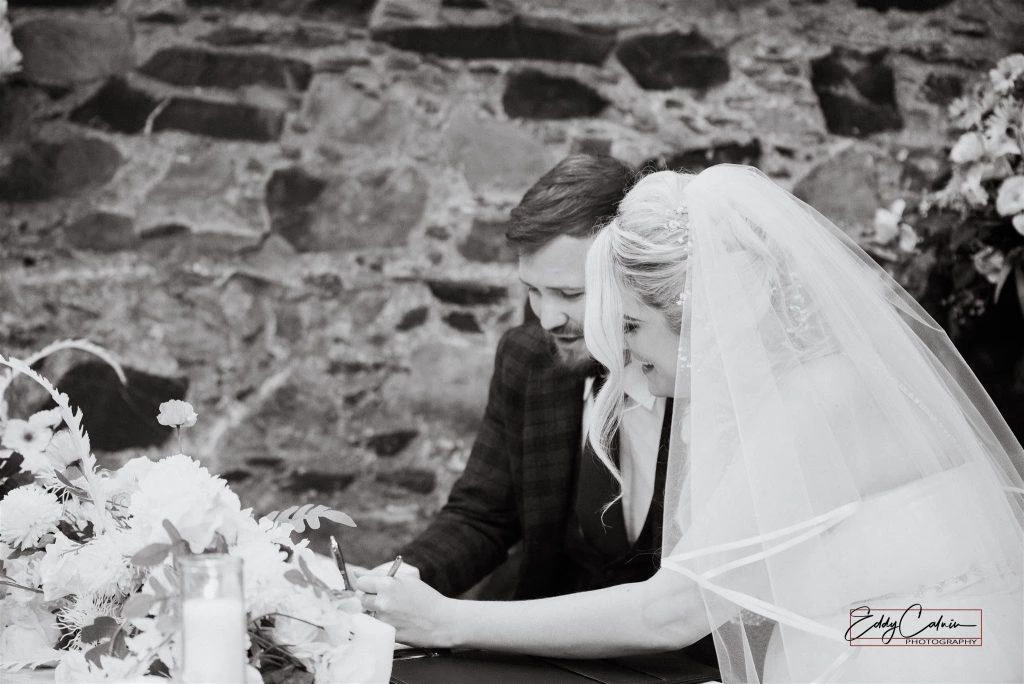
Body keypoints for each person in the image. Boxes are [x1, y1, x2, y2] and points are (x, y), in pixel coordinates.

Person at [359, 164, 1024, 682]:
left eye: (629, 326)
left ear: (704, 311)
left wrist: (448, 621)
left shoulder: (816, 401)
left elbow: (676, 610)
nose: (618, 349)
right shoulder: (775, 386)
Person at [361, 153, 717, 667]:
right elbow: (481, 515)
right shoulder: (528, 357)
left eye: (571, 293)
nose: (549, 318)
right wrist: (390, 587)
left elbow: (679, 610)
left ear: (630, 278)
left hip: (688, 664)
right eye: (533, 291)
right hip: (529, 645)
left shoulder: (707, 383)